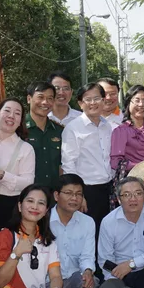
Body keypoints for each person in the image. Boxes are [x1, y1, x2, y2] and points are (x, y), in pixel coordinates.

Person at [61, 82, 115, 237]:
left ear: (104, 100)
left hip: (107, 188)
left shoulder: (107, 126)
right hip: (87, 190)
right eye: (88, 99)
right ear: (80, 103)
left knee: (106, 233)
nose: (93, 103)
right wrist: (78, 195)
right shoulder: (73, 128)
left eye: (97, 98)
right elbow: (68, 164)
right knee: (88, 235)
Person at [50, 174, 98, 288]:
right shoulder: (43, 220)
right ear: (56, 195)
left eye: (78, 194)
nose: (74, 198)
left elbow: (87, 256)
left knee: (89, 282)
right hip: (48, 282)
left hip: (72, 278)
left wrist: (88, 272)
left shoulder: (88, 222)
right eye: (68, 193)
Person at [111, 84, 144, 204]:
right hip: (132, 189)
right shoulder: (120, 131)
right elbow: (115, 162)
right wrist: (142, 168)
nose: (141, 105)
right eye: (137, 101)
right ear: (128, 103)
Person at [0, 98, 35, 231]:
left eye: (17, 113)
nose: (11, 116)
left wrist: (3, 176)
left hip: (8, 207)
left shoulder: (26, 148)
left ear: (21, 120)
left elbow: (28, 182)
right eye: (7, 111)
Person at [25, 81, 64, 191]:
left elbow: (63, 165)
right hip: (26, 194)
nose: (45, 102)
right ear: (29, 99)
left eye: (50, 98)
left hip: (53, 194)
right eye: (40, 97)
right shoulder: (19, 128)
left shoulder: (59, 131)